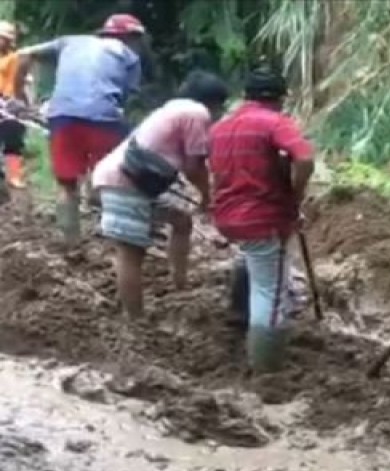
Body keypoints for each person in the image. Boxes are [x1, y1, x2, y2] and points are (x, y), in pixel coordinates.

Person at [91, 70, 227, 320]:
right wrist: (208, 197)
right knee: (131, 252)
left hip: (134, 181)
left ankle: (180, 283)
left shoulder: (173, 109)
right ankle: (135, 319)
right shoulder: (196, 113)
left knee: (181, 221)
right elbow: (194, 166)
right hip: (125, 183)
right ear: (213, 102)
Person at [208, 65, 315, 373]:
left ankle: (238, 318)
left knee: (250, 260)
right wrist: (295, 197)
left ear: (245, 96)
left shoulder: (221, 128)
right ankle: (265, 369)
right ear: (280, 98)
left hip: (228, 215)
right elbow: (304, 158)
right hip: (263, 217)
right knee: (271, 291)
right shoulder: (275, 122)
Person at [14, 14, 146, 242]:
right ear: (129, 37)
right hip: (105, 118)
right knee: (106, 179)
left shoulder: (70, 41)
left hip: (62, 116)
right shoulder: (129, 56)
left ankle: (71, 243)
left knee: (66, 186)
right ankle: (107, 240)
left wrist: (19, 95)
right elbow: (126, 98)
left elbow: (23, 54)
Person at [0, 20, 27, 191]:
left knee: (13, 138)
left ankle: (14, 175)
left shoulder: (13, 58)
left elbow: (13, 82)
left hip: (6, 101)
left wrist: (8, 101)